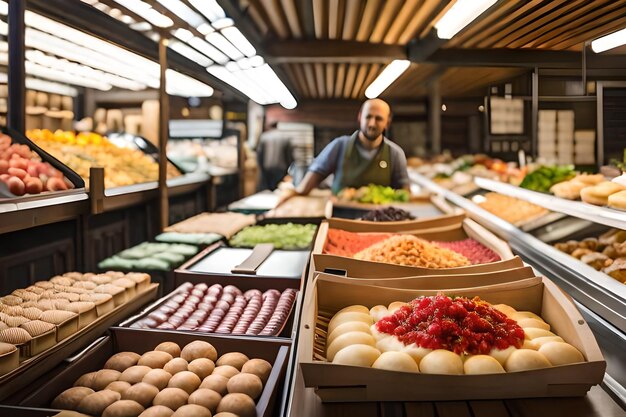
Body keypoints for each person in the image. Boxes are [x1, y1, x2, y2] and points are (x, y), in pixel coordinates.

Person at [279, 98, 409, 202]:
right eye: (368, 117)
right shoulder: (340, 146)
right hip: (340, 217)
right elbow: (310, 181)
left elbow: (405, 193)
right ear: (360, 117)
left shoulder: (395, 154)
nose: (372, 124)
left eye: (379, 118)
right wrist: (294, 192)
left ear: (387, 122)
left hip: (379, 221)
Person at [256, 124, 294, 191]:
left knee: (267, 189)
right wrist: (288, 171)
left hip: (267, 167)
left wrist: (261, 167)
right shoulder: (285, 137)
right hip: (281, 168)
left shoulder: (264, 137)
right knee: (279, 188)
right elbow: (289, 156)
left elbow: (259, 155)